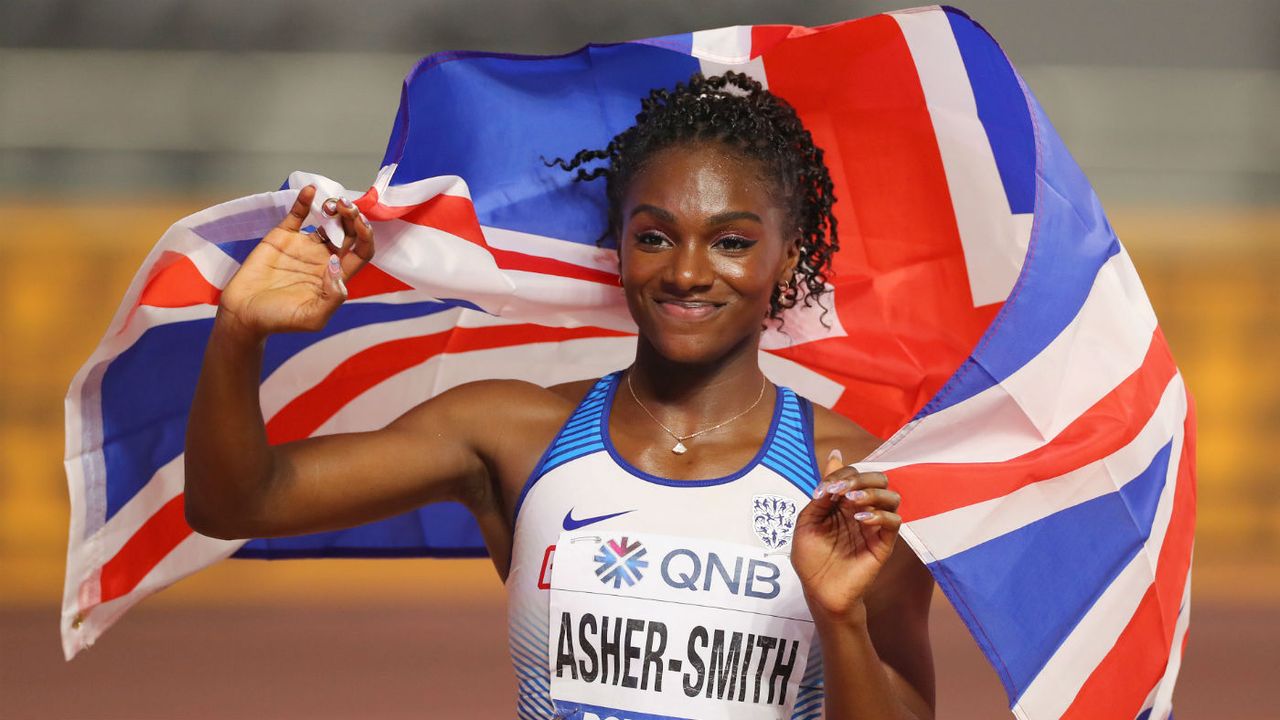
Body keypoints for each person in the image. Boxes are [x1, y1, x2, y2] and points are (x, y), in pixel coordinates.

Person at [184, 72, 935, 720]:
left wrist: (838, 619)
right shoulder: (513, 433)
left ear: (787, 258)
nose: (687, 272)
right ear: (618, 247)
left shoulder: (855, 486)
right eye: (655, 236)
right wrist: (239, 333)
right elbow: (237, 503)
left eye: (732, 241)